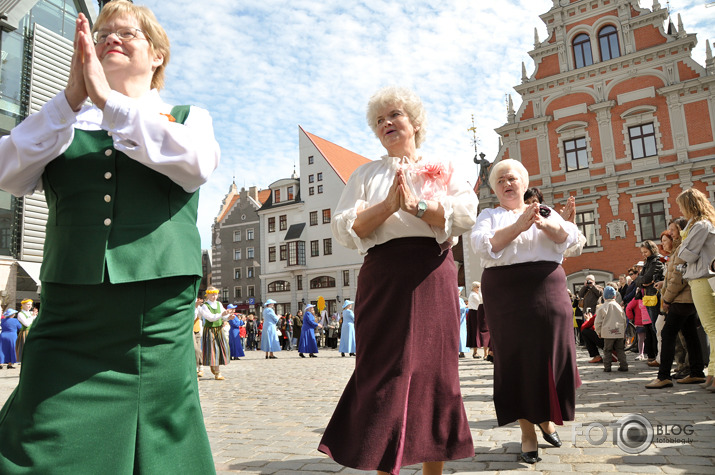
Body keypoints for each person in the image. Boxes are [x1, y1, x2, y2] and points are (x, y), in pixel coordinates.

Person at [0, 2, 219, 472]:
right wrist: (69, 102)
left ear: (157, 54)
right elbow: (6, 173)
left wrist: (110, 104)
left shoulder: (186, 116)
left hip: (154, 316)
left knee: (161, 437)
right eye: (101, 35)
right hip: (69, 308)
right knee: (37, 432)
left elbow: (197, 165)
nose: (111, 40)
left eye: (127, 34)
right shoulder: (59, 121)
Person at [319, 86, 477, 475]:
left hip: (431, 269)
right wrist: (388, 206)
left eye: (394, 115)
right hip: (382, 274)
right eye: (379, 120)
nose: (386, 123)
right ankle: (382, 465)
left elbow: (465, 213)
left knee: (434, 371)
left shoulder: (443, 165)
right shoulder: (365, 174)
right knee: (383, 369)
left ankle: (432, 471)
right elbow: (344, 228)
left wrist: (417, 206)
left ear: (414, 122)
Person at [471, 158, 581, 465]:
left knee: (550, 356)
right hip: (506, 293)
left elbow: (569, 239)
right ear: (494, 188)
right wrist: (518, 226)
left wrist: (545, 223)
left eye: (513, 178)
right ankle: (528, 432)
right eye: (501, 180)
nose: (507, 183)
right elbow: (482, 245)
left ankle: (545, 418)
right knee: (516, 360)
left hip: (547, 287)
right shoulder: (489, 215)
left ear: (523, 182)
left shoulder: (544, 211)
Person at [646, 222, 705, 388]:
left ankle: (663, 375)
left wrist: (667, 299)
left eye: (672, 229)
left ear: (680, 230)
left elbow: (678, 278)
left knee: (667, 334)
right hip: (685, 299)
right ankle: (696, 372)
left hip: (680, 299)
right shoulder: (680, 248)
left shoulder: (682, 249)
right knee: (690, 335)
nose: (670, 233)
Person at [675, 188, 715, 391]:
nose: (680, 210)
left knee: (711, 328)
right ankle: (712, 374)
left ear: (689, 205)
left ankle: (714, 375)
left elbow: (685, 254)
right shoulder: (703, 224)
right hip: (703, 278)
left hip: (701, 279)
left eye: (681, 206)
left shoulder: (699, 226)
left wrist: (682, 246)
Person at [634, 240, 665, 365]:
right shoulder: (648, 262)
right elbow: (639, 280)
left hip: (655, 296)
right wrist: (643, 281)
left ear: (652, 250)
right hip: (648, 296)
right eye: (642, 252)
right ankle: (658, 356)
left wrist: (643, 280)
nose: (644, 254)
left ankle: (661, 356)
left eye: (645, 251)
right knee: (653, 328)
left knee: (657, 328)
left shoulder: (657, 261)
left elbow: (645, 278)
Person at [198, 287, 232, 379]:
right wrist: (222, 315)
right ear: (207, 295)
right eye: (212, 294)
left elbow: (224, 315)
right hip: (210, 330)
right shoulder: (205, 306)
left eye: (215, 294)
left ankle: (215, 368)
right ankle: (217, 372)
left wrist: (229, 317)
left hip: (219, 329)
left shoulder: (219, 304)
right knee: (214, 350)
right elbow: (210, 317)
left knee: (221, 348)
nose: (214, 296)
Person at [595, 287, 628, 372]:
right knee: (620, 349)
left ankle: (607, 367)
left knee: (607, 350)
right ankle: (624, 365)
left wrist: (598, 331)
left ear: (604, 297)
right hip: (619, 331)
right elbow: (624, 320)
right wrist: (623, 331)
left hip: (607, 332)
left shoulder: (602, 307)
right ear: (614, 296)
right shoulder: (619, 307)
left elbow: (598, 322)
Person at [466, 281, 489, 359]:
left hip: (478, 313)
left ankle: (483, 353)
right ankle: (476, 352)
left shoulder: (476, 294)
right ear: (474, 287)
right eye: (478, 287)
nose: (479, 288)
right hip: (474, 314)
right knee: (475, 332)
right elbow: (481, 301)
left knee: (480, 332)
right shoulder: (473, 295)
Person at [15, 299, 35, 363]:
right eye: (28, 304)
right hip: (25, 332)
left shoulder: (31, 313)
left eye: (31, 304)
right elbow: (27, 324)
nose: (30, 306)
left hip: (33, 332)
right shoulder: (20, 314)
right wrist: (32, 317)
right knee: (25, 348)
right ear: (23, 305)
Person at [193, 296, 204, 377]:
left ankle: (200, 366)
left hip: (197, 330)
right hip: (190, 330)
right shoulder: (192, 307)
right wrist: (195, 306)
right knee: (195, 349)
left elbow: (205, 315)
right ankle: (196, 367)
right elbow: (192, 317)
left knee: (199, 350)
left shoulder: (199, 308)